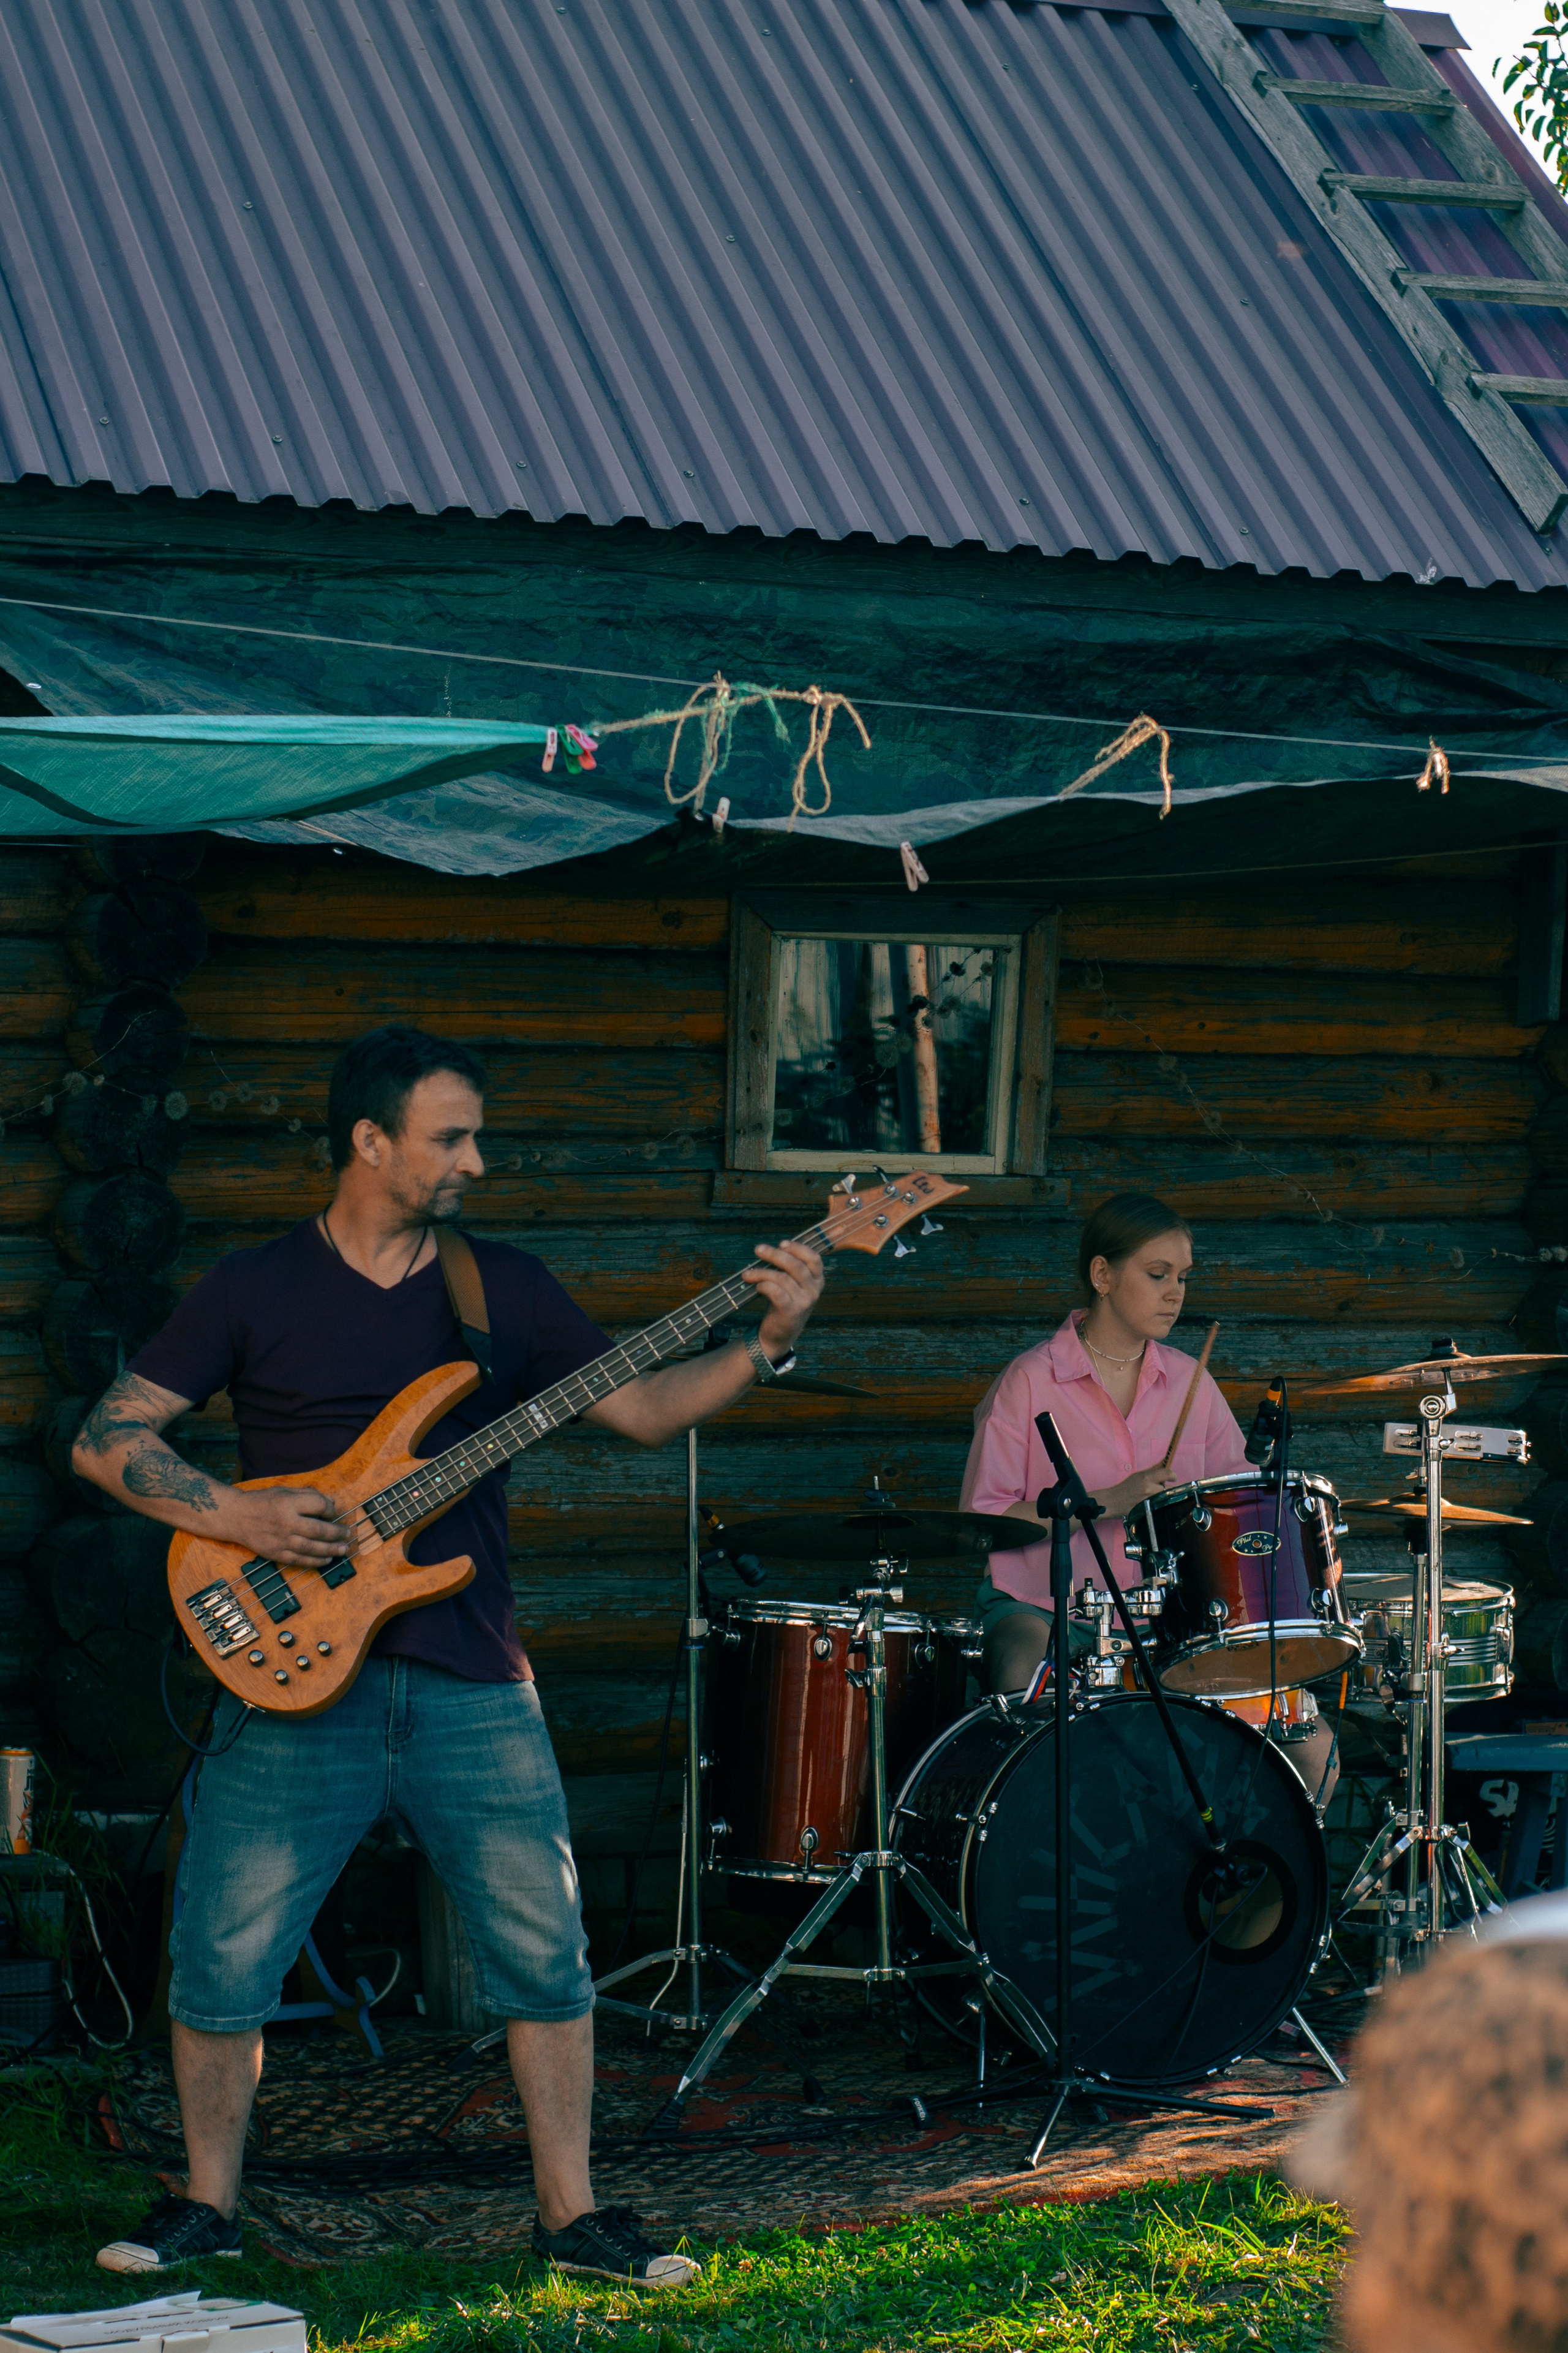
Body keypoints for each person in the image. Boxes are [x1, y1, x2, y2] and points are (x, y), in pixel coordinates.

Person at [73, 1024, 825, 2289]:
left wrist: (765, 1339)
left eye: (474, 1133)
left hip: (471, 1675)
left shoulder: (502, 1290)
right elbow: (108, 1436)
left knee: (544, 1953)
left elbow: (638, 1409)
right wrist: (236, 1512)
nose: (476, 1157)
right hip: (290, 1673)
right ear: (370, 1142)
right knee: (222, 1957)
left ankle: (573, 2217)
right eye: (450, 1136)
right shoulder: (256, 1285)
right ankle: (205, 2204)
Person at [959, 1191, 1246, 1696]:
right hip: (1041, 1608)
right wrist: (1108, 1501)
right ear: (1102, 1276)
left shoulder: (1192, 1382)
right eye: (1158, 1274)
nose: (1176, 1292)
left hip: (1160, 1620)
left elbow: (1239, 1500)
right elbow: (984, 1522)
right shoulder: (1029, 1379)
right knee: (1024, 1671)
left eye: (1183, 1277)